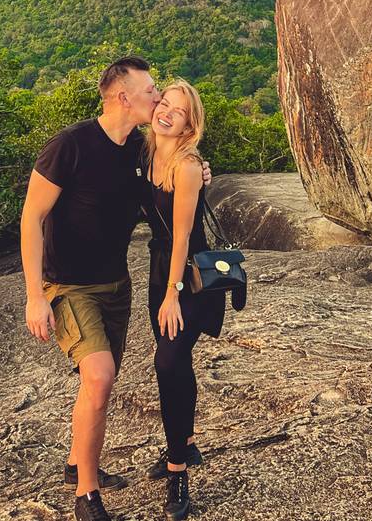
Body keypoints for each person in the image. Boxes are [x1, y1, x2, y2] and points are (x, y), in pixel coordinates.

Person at [20, 57, 210, 521]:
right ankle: (87, 494)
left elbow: (174, 179)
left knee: (97, 382)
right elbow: (31, 216)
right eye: (152, 92)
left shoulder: (136, 152)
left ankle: (75, 464)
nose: (158, 98)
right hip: (69, 284)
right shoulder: (70, 145)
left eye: (166, 98)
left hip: (117, 286)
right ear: (124, 97)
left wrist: (202, 175)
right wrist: (34, 295)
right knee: (101, 376)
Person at [142, 80, 226, 521]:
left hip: (189, 277)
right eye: (164, 103)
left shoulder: (187, 166)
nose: (167, 112)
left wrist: (172, 294)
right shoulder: (145, 155)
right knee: (174, 361)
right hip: (161, 274)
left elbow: (181, 237)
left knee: (168, 361)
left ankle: (177, 472)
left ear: (190, 124)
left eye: (179, 110)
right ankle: (185, 443)